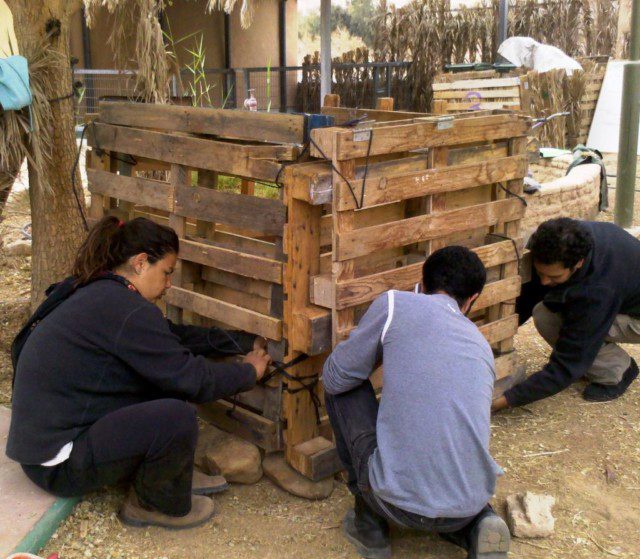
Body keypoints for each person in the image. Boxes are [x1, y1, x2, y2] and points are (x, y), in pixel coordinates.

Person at [7, 216, 272, 529]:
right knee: (175, 415)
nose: (169, 284)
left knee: (160, 382)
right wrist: (248, 373)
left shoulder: (100, 291)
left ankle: (171, 475)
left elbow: (171, 336)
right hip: (58, 464)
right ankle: (153, 504)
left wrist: (241, 341)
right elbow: (192, 379)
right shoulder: (123, 308)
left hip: (43, 448)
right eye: (167, 272)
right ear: (141, 262)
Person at [323, 246, 510, 559]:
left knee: (342, 385)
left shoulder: (396, 304)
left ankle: (369, 519)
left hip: (394, 503)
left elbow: (335, 377)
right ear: (473, 298)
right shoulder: (480, 345)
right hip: (467, 504)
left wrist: (375, 352)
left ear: (422, 285)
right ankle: (479, 522)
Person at [493, 218, 640, 412]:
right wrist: (494, 337)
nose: (545, 281)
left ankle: (618, 370)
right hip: (624, 290)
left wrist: (504, 400)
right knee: (547, 311)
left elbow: (567, 364)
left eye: (554, 277)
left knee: (551, 321)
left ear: (578, 263)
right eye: (540, 273)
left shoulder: (596, 291)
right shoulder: (556, 242)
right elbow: (530, 294)